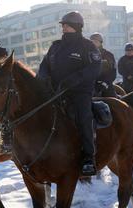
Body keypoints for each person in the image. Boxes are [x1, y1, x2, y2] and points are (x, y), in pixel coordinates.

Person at [38, 11, 101, 176]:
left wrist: (75, 79)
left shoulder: (88, 46)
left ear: (76, 27)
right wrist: (43, 77)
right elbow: (44, 65)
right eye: (63, 25)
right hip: (56, 92)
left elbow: (95, 67)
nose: (63, 27)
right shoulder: (55, 46)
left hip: (80, 92)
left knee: (84, 117)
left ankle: (88, 158)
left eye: (66, 25)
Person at [90, 32, 117, 97]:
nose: (93, 43)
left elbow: (113, 72)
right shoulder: (87, 54)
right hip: (91, 85)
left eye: (95, 41)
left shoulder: (109, 55)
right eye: (92, 42)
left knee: (114, 103)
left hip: (106, 84)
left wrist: (104, 83)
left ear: (100, 42)